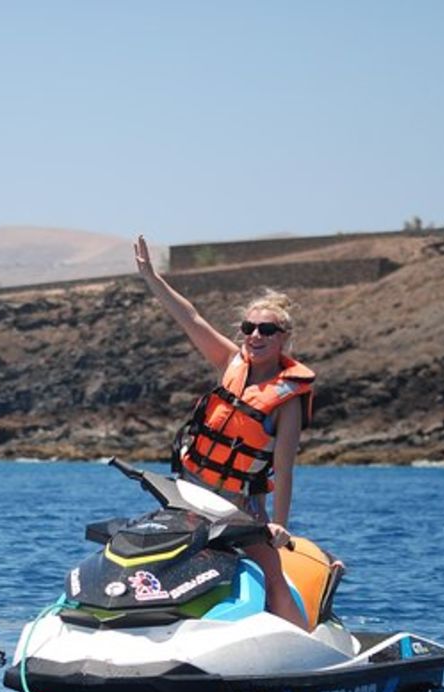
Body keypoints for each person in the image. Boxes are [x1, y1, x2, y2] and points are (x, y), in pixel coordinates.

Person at [133, 234, 311, 630]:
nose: (256, 336)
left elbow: (284, 469)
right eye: (250, 327)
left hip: (237, 508)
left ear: (284, 337)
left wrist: (279, 524)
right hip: (188, 494)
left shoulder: (287, 400)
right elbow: (190, 318)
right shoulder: (230, 362)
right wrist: (151, 277)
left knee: (272, 570)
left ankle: (305, 645)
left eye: (267, 329)